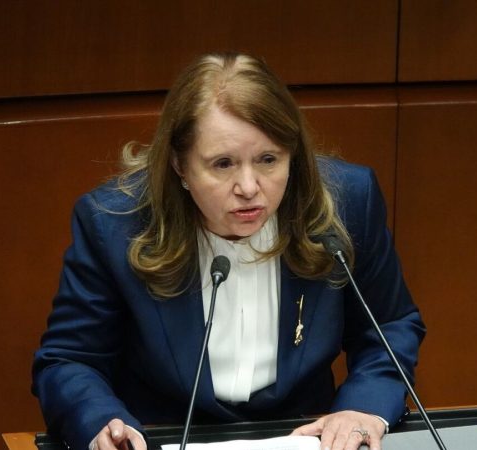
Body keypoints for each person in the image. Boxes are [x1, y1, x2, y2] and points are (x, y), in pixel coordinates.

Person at [32, 52, 425, 450]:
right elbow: (69, 359)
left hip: (302, 437)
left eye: (268, 159)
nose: (249, 187)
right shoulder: (115, 224)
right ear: (179, 165)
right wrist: (101, 423)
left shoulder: (346, 203)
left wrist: (363, 407)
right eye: (223, 164)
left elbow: (389, 326)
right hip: (163, 436)